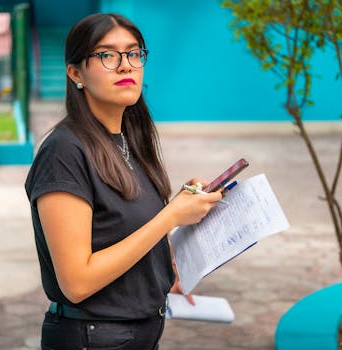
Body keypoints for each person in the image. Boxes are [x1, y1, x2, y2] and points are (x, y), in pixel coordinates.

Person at [25, 13, 222, 350]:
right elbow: (76, 282)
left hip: (138, 333)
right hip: (93, 338)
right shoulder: (64, 151)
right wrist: (170, 216)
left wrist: (167, 261)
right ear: (76, 73)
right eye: (107, 55)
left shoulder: (128, 140)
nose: (125, 65)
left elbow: (120, 230)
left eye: (133, 53)